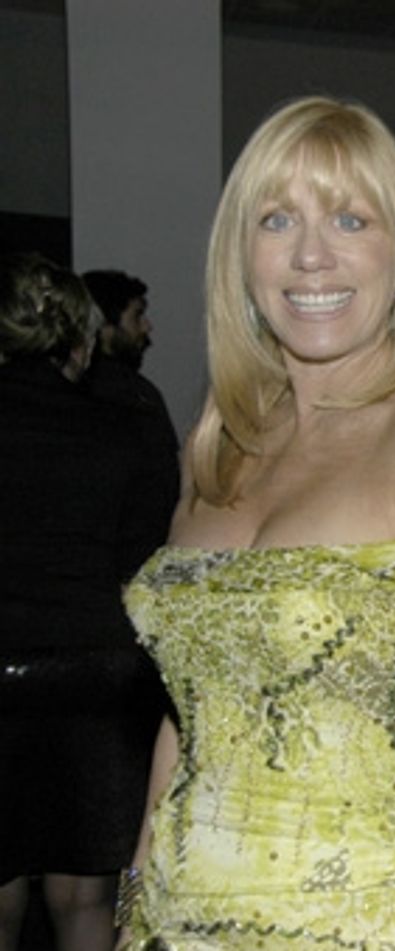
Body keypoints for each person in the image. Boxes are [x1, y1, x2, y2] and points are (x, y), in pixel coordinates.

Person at [116, 97, 395, 950]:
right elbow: (190, 716)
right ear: (240, 256)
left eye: (350, 219)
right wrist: (131, 915)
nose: (310, 254)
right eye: (276, 219)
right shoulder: (221, 446)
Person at [0, 254, 171, 951]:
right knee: (91, 895)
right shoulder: (128, 422)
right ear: (81, 339)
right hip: (99, 679)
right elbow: (148, 561)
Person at [80, 268, 180, 511]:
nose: (146, 327)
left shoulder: (63, 391)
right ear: (105, 328)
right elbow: (164, 482)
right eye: (136, 316)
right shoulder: (136, 396)